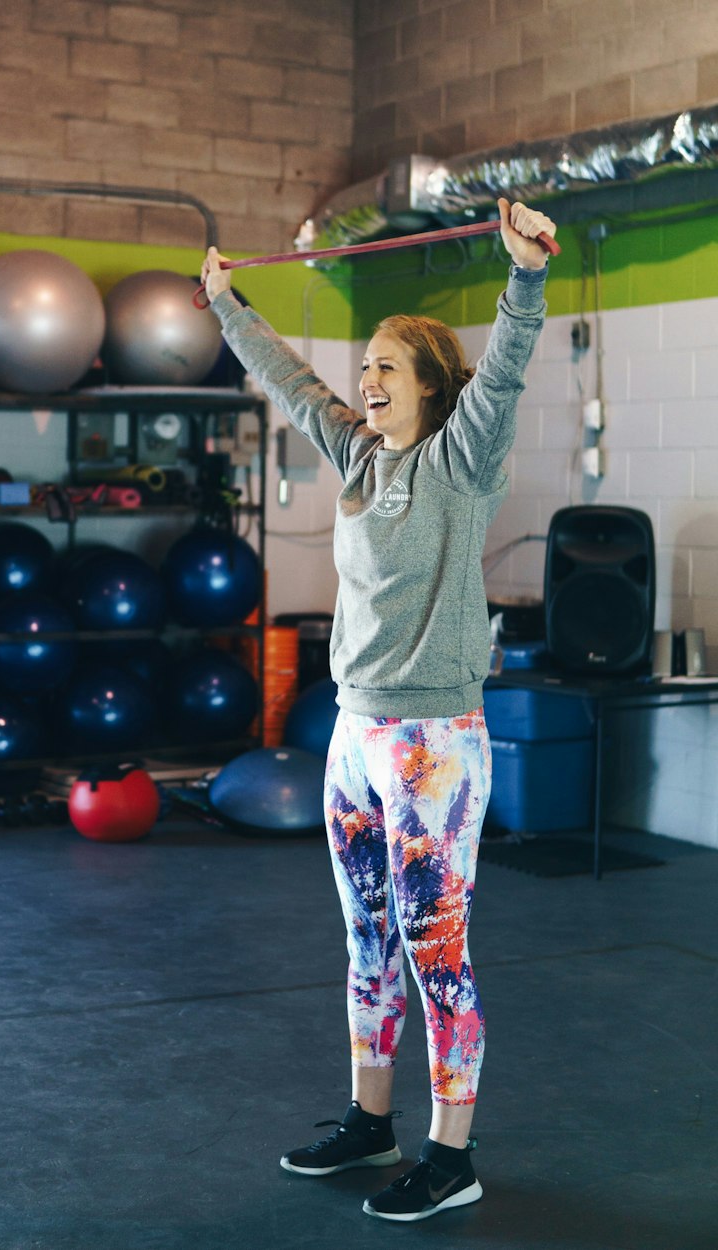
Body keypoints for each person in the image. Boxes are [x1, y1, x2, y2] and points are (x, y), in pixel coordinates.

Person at [199, 198, 557, 1223]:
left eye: (388, 368)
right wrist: (228, 305)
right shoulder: (359, 454)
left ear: (431, 388)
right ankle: (372, 1119)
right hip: (354, 733)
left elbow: (506, 371)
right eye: (367, 366)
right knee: (366, 937)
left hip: (434, 743)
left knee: (433, 946)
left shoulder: (459, 461)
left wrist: (523, 276)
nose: (366, 380)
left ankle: (453, 1153)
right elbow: (290, 380)